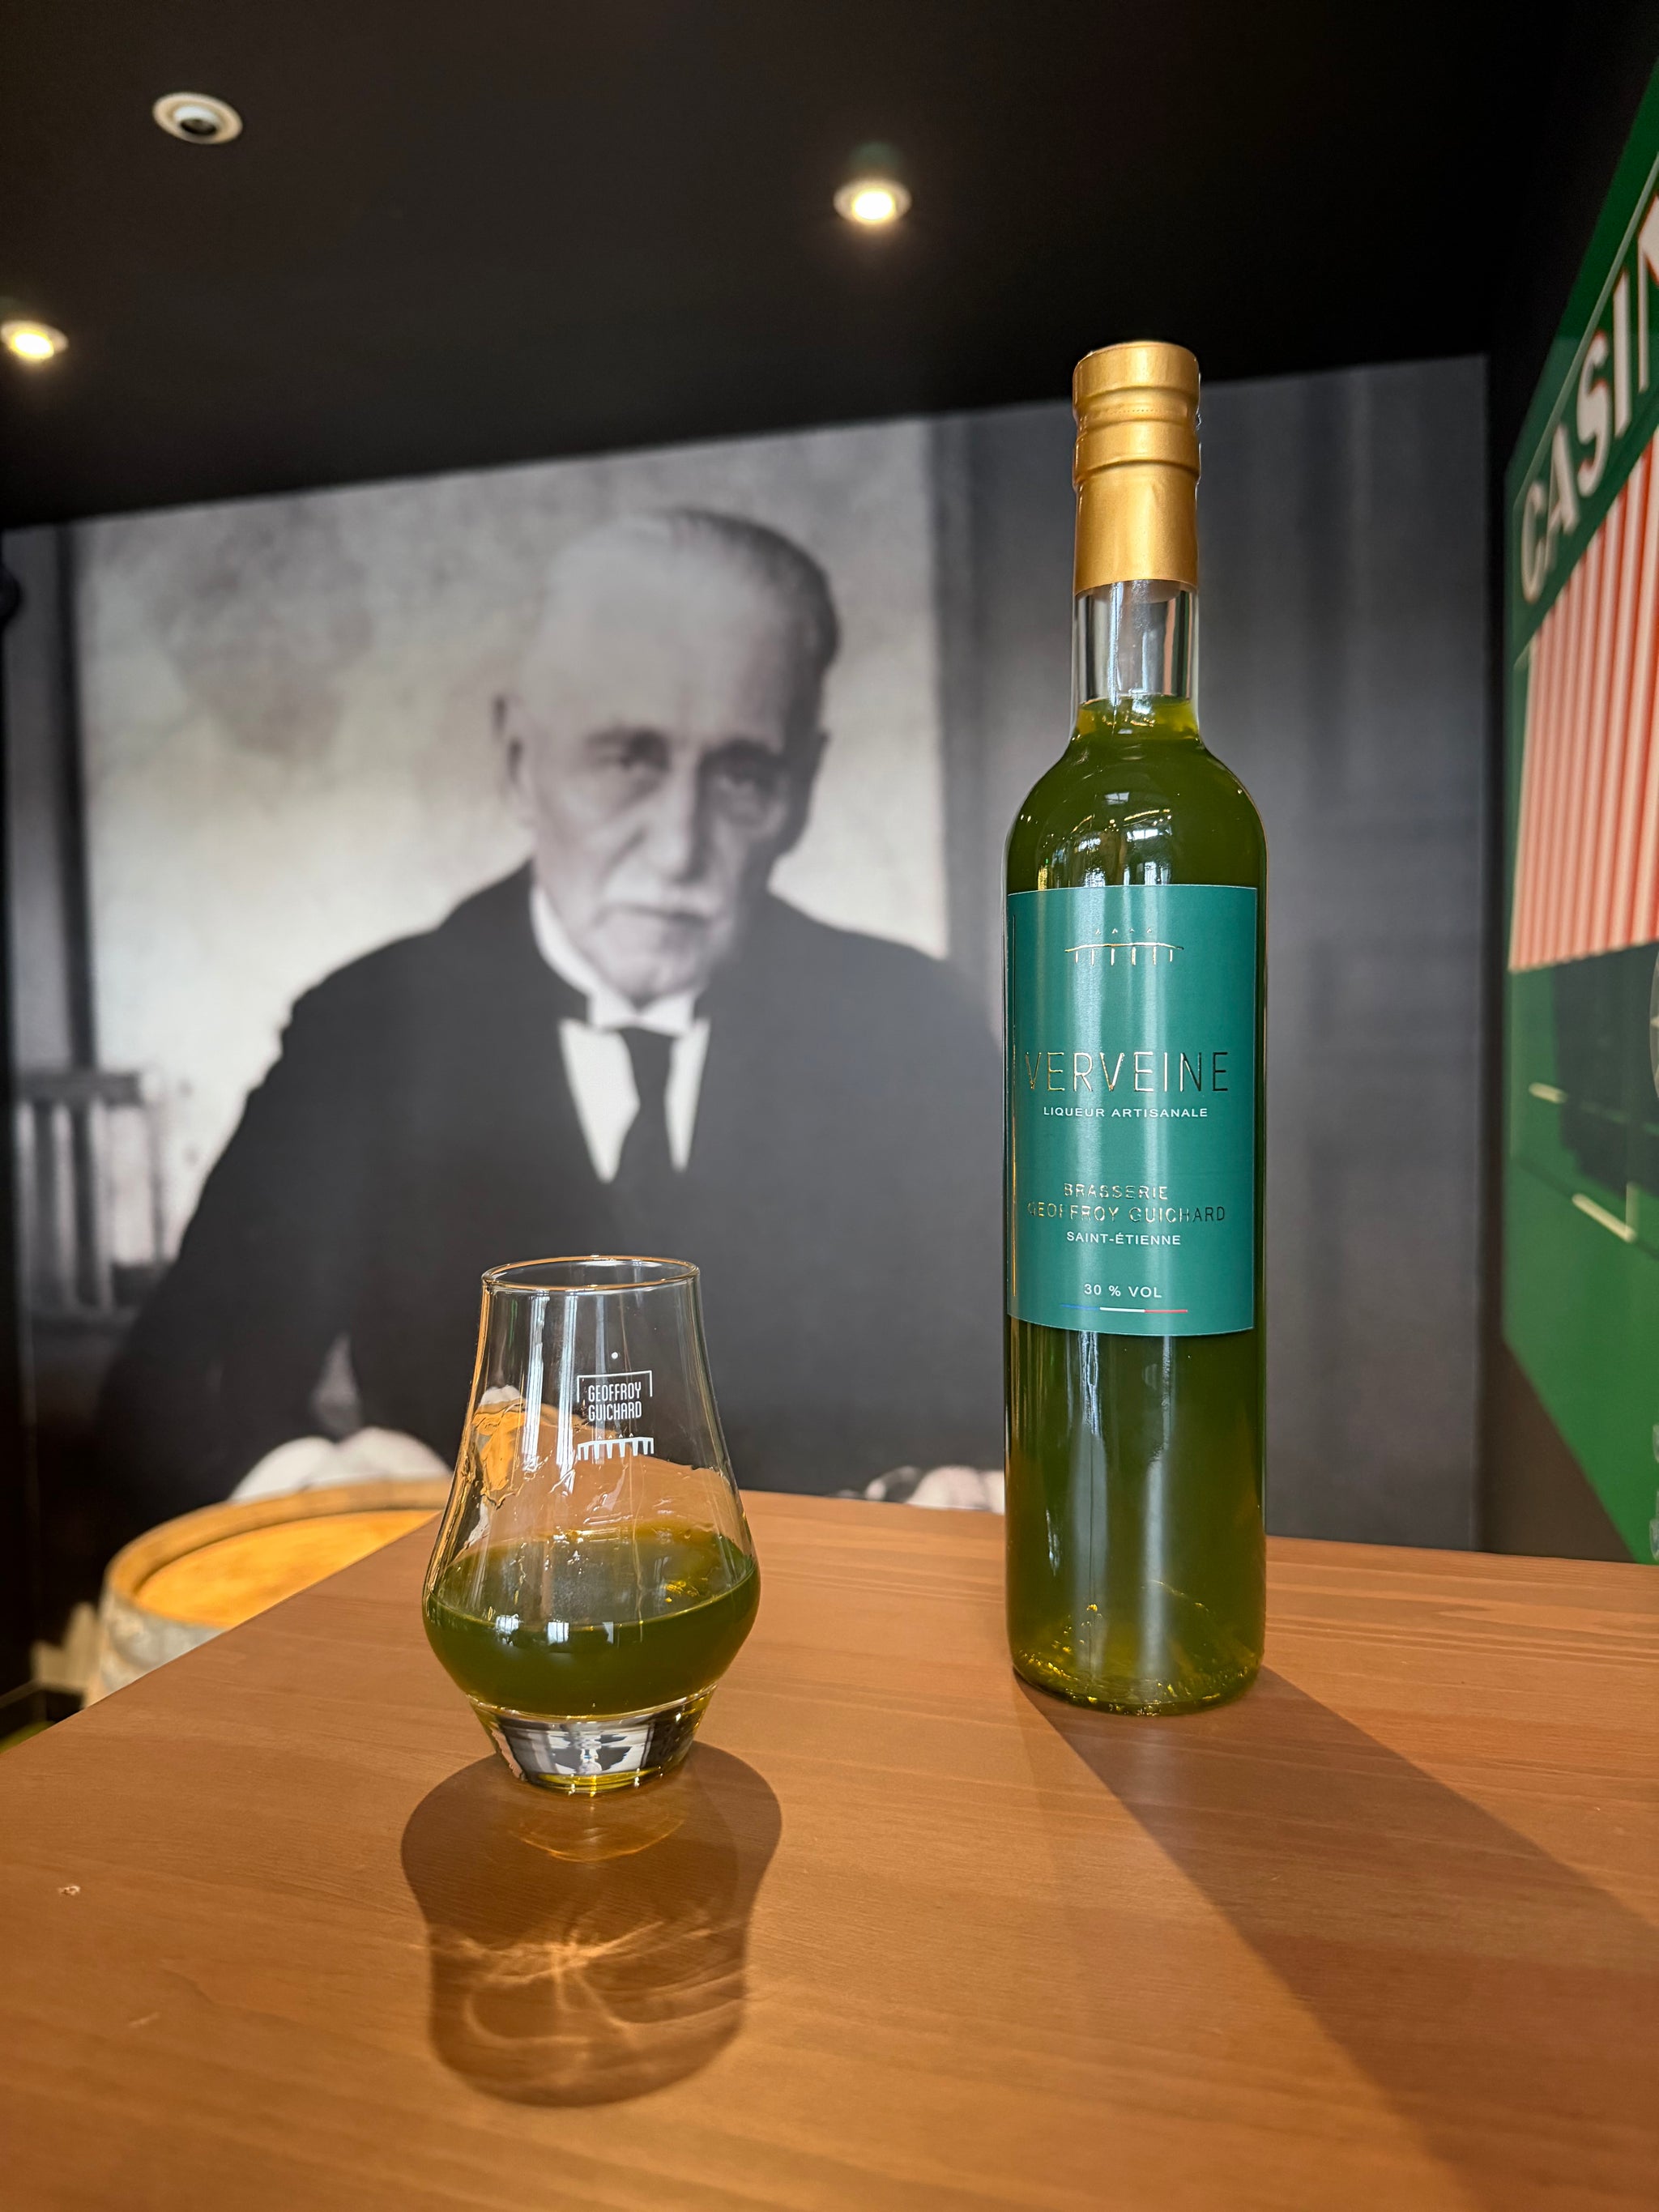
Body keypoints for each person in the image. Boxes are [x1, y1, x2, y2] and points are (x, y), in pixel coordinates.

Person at [98, 509, 1002, 1520]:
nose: (676, 848)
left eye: (741, 774)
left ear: (800, 790)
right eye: (627, 759)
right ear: (519, 761)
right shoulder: (365, 1027)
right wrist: (318, 1486)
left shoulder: (917, 1025)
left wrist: (976, 1480)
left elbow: (1017, 1382)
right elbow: (169, 1395)